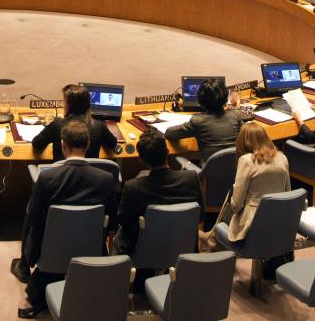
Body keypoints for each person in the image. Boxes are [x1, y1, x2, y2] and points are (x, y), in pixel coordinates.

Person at [17, 120, 119, 318]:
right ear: (88, 145)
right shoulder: (105, 179)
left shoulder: (47, 178)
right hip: (92, 250)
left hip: (50, 251)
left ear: (62, 145)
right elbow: (112, 221)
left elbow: (35, 220)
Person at [204, 122, 289, 262]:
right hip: (278, 222)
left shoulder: (246, 160)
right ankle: (211, 237)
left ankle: (212, 239)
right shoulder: (282, 158)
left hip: (253, 227)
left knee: (231, 200)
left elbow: (236, 205)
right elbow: (287, 193)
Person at [114, 129, 203, 256]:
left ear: (140, 159)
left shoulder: (133, 187)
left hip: (145, 253)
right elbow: (200, 217)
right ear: (167, 153)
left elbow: (123, 220)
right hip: (183, 249)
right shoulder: (191, 178)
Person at [165, 78, 253, 164]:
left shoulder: (198, 121)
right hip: (236, 171)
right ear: (226, 99)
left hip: (209, 175)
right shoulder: (234, 116)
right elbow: (248, 132)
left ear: (200, 100)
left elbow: (169, 133)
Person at [31, 83, 118, 161]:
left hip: (61, 177)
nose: (63, 105)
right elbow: (112, 145)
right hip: (90, 177)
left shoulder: (57, 125)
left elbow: (36, 144)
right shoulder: (99, 125)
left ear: (68, 104)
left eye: (64, 101)